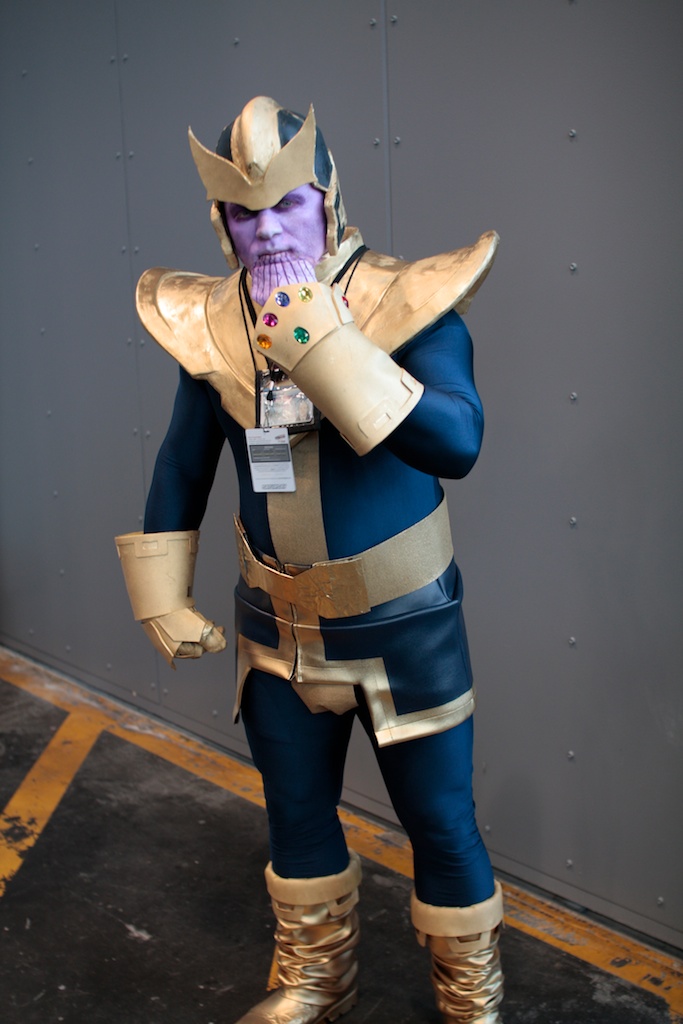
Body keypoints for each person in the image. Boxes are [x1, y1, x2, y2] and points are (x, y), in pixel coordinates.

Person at [116, 95, 503, 1024]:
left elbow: (457, 442)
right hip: (276, 628)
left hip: (402, 627)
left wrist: (327, 345)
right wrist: (160, 592)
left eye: (285, 204)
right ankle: (313, 982)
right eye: (242, 212)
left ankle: (471, 999)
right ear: (220, 220)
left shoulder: (407, 301)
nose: (266, 230)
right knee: (294, 813)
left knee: (440, 823)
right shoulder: (212, 322)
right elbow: (182, 461)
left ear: (326, 199)